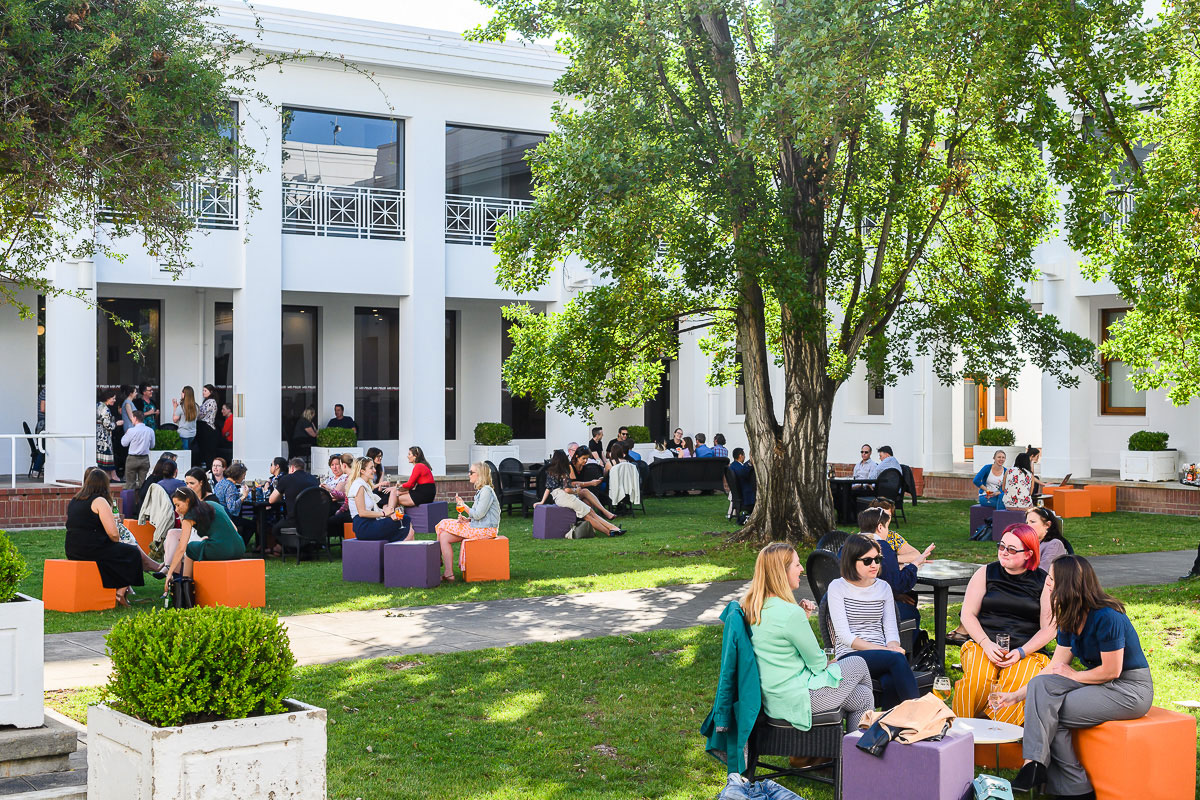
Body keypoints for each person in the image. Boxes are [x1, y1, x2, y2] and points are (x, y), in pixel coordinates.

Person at [998, 556, 1152, 797]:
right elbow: (1054, 666)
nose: (1047, 583)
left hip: (1129, 689)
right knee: (1041, 686)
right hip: (1099, 682)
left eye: (1051, 578)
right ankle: (1039, 768)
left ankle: (1062, 781)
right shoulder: (1069, 615)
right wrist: (1016, 696)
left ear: (1067, 584)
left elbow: (1113, 671)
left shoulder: (1106, 617)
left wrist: (1075, 675)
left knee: (1051, 712)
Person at [742, 542, 875, 733]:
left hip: (773, 697)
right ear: (782, 572)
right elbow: (817, 663)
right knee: (858, 663)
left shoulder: (752, 606)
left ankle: (852, 754)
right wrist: (829, 662)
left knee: (862, 696)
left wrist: (801, 619)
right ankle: (862, 750)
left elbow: (779, 647)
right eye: (796, 565)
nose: (802, 569)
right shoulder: (789, 614)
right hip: (799, 699)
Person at [952, 523, 1056, 726]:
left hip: (1027, 650)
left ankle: (997, 736)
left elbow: (1049, 628)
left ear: (1028, 554)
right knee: (977, 680)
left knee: (1016, 684)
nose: (1004, 553)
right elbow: (968, 614)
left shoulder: (1043, 581)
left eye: (1011, 549)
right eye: (1001, 546)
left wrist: (1021, 652)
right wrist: (985, 643)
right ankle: (963, 733)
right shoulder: (986, 573)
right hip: (985, 645)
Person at [826, 534, 921, 707]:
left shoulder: (883, 587)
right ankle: (920, 714)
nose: (874, 565)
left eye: (878, 559)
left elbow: (891, 628)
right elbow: (845, 637)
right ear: (851, 560)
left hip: (883, 656)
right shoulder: (837, 587)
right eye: (867, 560)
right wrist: (887, 650)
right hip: (849, 656)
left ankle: (889, 727)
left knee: (890, 681)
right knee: (896, 659)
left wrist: (892, 645)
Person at [64, 468, 145, 606]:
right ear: (104, 485)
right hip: (92, 548)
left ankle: (116, 589)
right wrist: (117, 541)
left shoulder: (75, 500)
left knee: (116, 554)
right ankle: (120, 592)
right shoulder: (99, 501)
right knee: (132, 553)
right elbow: (113, 534)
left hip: (72, 549)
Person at [859, 506, 932, 626]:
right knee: (911, 612)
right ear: (880, 527)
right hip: (873, 608)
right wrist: (914, 565)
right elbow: (898, 584)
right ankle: (906, 643)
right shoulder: (881, 547)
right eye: (887, 527)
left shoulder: (847, 544)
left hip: (850, 604)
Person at [163, 486, 247, 582]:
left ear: (188, 500)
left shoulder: (189, 516)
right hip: (240, 547)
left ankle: (186, 585)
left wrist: (169, 574)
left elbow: (181, 548)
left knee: (190, 548)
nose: (176, 510)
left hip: (222, 550)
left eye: (178, 505)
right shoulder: (213, 504)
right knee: (199, 545)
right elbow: (234, 528)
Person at [534, 449, 625, 536]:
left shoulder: (550, 471)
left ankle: (611, 529)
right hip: (566, 497)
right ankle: (610, 530)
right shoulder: (564, 472)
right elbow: (567, 490)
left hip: (558, 498)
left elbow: (548, 488)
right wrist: (576, 491)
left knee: (588, 514)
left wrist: (542, 502)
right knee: (590, 512)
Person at [435, 462, 501, 582]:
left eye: (471, 472)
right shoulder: (482, 491)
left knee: (443, 523)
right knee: (444, 536)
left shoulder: (486, 491)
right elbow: (479, 515)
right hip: (479, 526)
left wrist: (463, 505)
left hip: (486, 530)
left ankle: (436, 557)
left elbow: (478, 514)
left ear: (480, 474)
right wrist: (467, 519)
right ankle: (448, 573)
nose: (469, 474)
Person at [345, 456, 410, 542]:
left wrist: (389, 514)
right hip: (364, 527)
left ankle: (395, 546)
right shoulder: (358, 486)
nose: (374, 471)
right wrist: (383, 513)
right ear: (362, 471)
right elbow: (362, 513)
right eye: (371, 468)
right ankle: (398, 547)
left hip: (370, 523)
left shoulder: (365, 485)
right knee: (405, 519)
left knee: (402, 519)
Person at [268, 457, 320, 554]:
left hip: (294, 520)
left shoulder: (286, 479)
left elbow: (271, 500)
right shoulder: (314, 479)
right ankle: (302, 547)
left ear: (291, 468)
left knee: (275, 529)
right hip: (313, 520)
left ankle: (290, 548)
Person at [119, 409, 154, 492]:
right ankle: (143, 502)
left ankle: (131, 503)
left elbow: (124, 443)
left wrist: (126, 433)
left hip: (132, 458)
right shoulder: (150, 430)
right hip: (145, 458)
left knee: (130, 484)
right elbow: (152, 445)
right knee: (144, 484)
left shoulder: (131, 431)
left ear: (135, 418)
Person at [96, 388, 121, 481]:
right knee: (106, 456)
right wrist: (116, 424)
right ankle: (108, 478)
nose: (114, 400)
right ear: (107, 398)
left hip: (98, 435)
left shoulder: (98, 405)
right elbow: (108, 425)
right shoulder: (105, 409)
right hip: (104, 437)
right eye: (113, 398)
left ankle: (107, 477)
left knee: (101, 457)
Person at [171, 386, 199, 450]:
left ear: (184, 394)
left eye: (182, 392)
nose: (181, 393)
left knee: (185, 453)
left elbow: (175, 420)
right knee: (189, 452)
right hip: (192, 433)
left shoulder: (181, 407)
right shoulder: (196, 406)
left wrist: (175, 407)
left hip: (183, 434)